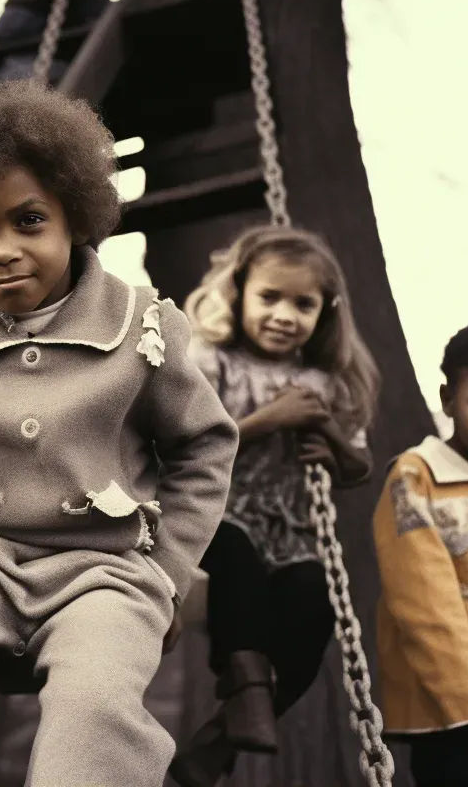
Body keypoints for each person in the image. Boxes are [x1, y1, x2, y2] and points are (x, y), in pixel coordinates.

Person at [0, 81, 239, 787]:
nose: (1, 249)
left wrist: (170, 569)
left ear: (75, 218)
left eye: (28, 220)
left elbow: (204, 446)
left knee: (95, 717)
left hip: (108, 568)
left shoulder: (142, 325)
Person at [172, 226, 379, 787]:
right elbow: (191, 446)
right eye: (270, 297)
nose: (285, 314)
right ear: (238, 293)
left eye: (303, 304)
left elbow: (357, 468)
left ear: (325, 311)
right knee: (237, 564)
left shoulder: (323, 381)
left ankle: (220, 739)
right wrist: (273, 420)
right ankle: (246, 686)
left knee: (313, 610)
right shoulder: (212, 360)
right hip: (217, 511)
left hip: (291, 530)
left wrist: (330, 438)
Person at [373, 322, 468, 787]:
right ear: (448, 400)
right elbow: (421, 599)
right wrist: (467, 697)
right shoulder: (417, 476)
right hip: (451, 696)